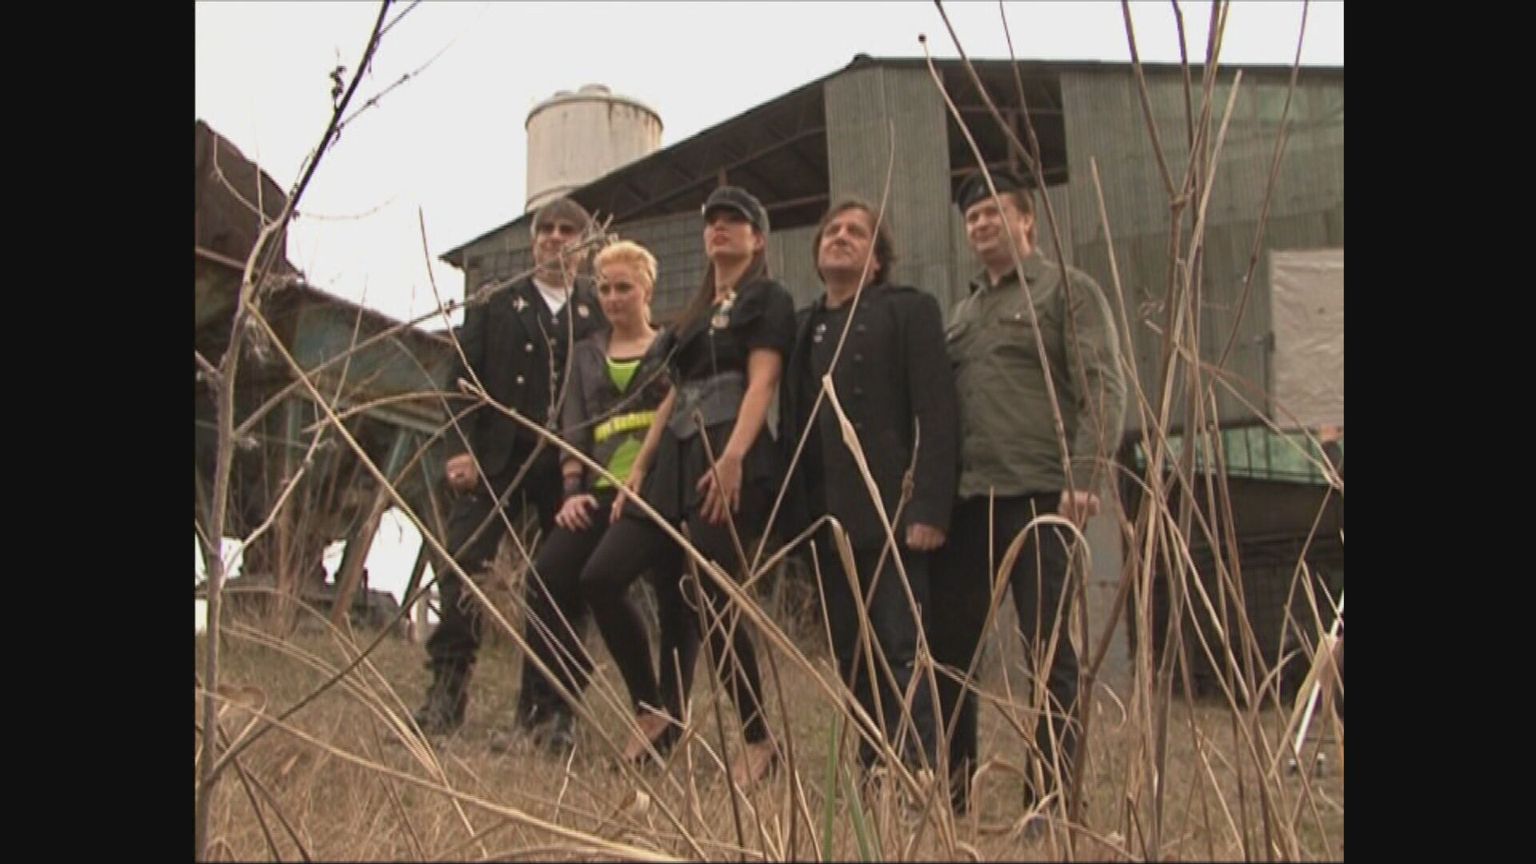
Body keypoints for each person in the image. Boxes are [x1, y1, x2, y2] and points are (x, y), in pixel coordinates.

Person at [581, 186, 794, 788]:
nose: (719, 228)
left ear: (757, 238)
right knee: (601, 575)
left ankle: (757, 737)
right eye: (712, 221)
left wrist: (733, 458)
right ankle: (654, 709)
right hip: (671, 455)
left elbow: (762, 383)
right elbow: (673, 393)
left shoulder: (767, 298)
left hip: (725, 446)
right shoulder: (696, 310)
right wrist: (640, 469)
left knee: (710, 593)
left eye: (734, 220)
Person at [930, 170, 1127, 813]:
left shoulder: (1067, 289)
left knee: (1048, 653)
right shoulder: (962, 314)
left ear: (1027, 221)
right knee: (950, 651)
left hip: (1042, 496)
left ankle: (1049, 801)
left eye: (994, 212)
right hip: (968, 503)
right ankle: (953, 793)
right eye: (972, 217)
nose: (981, 224)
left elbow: (1102, 383)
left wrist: (1084, 476)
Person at [414, 197, 607, 749]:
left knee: (562, 581)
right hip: (496, 460)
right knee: (464, 565)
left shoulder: (595, 310)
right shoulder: (497, 300)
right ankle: (447, 692)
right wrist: (460, 449)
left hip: (567, 468)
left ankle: (548, 710)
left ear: (584, 245)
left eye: (567, 230)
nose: (554, 238)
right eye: (545, 229)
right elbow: (461, 380)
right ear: (533, 241)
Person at [781, 198, 957, 777]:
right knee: (851, 655)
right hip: (827, 521)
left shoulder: (909, 310)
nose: (840, 236)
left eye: (855, 232)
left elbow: (936, 412)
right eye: (831, 230)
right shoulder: (803, 327)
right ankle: (874, 770)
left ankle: (919, 777)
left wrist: (928, 507)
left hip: (894, 515)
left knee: (903, 651)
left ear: (878, 260)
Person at [509, 240, 700, 760]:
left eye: (624, 288)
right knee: (553, 574)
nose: (614, 298)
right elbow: (575, 425)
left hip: (660, 487)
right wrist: (571, 491)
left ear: (647, 290)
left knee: (675, 598)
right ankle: (614, 703)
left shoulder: (672, 346)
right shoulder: (587, 353)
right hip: (599, 487)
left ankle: (670, 723)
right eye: (606, 289)